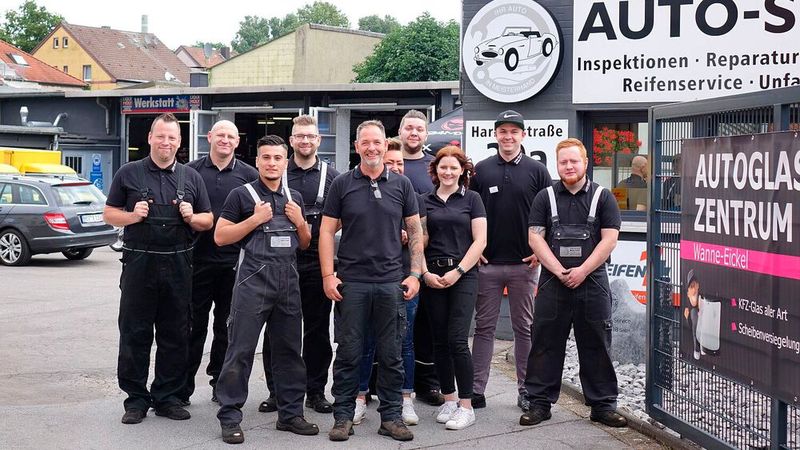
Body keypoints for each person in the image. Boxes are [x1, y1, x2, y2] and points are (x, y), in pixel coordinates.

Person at [103, 113, 213, 425]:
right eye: (161, 136)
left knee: (176, 333)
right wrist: (132, 216)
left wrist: (193, 217)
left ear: (180, 142)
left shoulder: (191, 178)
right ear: (150, 137)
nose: (166, 143)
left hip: (179, 263)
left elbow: (209, 220)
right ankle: (135, 400)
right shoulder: (129, 173)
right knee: (135, 333)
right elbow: (108, 214)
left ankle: (168, 397)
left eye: (172, 138)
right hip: (139, 262)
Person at [319, 120, 423, 442]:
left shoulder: (402, 185)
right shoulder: (342, 184)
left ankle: (391, 417)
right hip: (352, 283)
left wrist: (416, 274)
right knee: (349, 352)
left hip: (392, 282)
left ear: (385, 145)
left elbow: (416, 231)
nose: (372, 148)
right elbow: (325, 231)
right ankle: (343, 417)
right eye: (365, 142)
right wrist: (327, 275)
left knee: (391, 354)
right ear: (357, 146)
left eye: (377, 142)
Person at [214, 136, 317, 444]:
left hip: (287, 283)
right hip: (252, 283)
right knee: (240, 351)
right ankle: (230, 416)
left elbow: (305, 243)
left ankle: (290, 415)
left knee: (289, 352)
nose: (272, 163)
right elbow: (220, 236)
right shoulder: (241, 195)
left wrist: (301, 223)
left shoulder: (293, 195)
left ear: (285, 162)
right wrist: (254, 220)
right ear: (257, 162)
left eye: (277, 158)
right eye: (266, 158)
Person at [520, 138, 627, 429]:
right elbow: (535, 238)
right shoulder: (545, 198)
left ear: (585, 163)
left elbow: (610, 239)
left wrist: (582, 270)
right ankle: (539, 404)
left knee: (596, 343)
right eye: (563, 162)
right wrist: (558, 270)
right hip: (553, 283)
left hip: (593, 282)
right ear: (557, 165)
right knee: (544, 342)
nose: (568, 166)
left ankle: (603, 406)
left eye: (573, 161)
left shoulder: (604, 197)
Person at [470, 110, 552, 411]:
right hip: (487, 264)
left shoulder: (537, 170)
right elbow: (470, 212)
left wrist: (541, 250)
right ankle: (476, 389)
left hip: (525, 264)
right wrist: (474, 249)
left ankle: (526, 389)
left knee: (524, 328)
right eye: (502, 131)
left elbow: (549, 215)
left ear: (523, 135)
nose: (508, 136)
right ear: (496, 135)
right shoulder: (481, 170)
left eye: (513, 132)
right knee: (483, 328)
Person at [259, 115, 340, 414]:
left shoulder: (334, 176)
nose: (305, 141)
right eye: (299, 136)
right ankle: (277, 391)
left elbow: (343, 216)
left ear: (319, 141)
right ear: (291, 140)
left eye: (310, 136)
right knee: (277, 330)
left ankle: (316, 391)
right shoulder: (278, 170)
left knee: (317, 331)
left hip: (317, 262)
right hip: (279, 262)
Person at [183, 120, 258, 406]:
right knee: (191, 326)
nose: (225, 140)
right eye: (221, 135)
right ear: (209, 137)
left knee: (227, 328)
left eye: (231, 136)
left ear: (237, 142)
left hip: (234, 265)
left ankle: (219, 383)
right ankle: (182, 387)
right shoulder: (190, 172)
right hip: (196, 261)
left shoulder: (249, 176)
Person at [353, 141, 427, 426]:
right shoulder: (363, 188)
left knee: (403, 342)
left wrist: (416, 273)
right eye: (391, 162)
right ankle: (361, 397)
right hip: (368, 278)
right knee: (366, 341)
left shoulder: (408, 192)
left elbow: (422, 236)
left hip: (403, 278)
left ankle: (404, 398)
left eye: (400, 163)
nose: (395, 167)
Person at [421, 146, 487, 430]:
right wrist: (424, 272)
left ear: (463, 171)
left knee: (457, 339)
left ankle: (466, 405)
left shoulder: (472, 199)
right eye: (443, 168)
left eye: (453, 168)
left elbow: (480, 241)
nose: (448, 172)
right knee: (439, 341)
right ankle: (448, 399)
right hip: (432, 275)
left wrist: (459, 271)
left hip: (464, 274)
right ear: (435, 171)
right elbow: (418, 239)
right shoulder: (424, 200)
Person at [399, 109, 444, 407]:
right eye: (409, 128)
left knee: (427, 326)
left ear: (426, 134)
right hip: (391, 259)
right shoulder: (388, 163)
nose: (414, 133)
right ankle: (386, 383)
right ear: (400, 132)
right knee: (395, 326)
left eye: (419, 129)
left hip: (430, 256)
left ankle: (428, 384)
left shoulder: (434, 167)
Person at [683, 269, 702, 359]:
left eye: (695, 285)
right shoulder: (689, 310)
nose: (694, 289)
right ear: (687, 293)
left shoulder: (702, 298)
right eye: (691, 286)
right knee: (694, 313)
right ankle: (697, 349)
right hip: (694, 319)